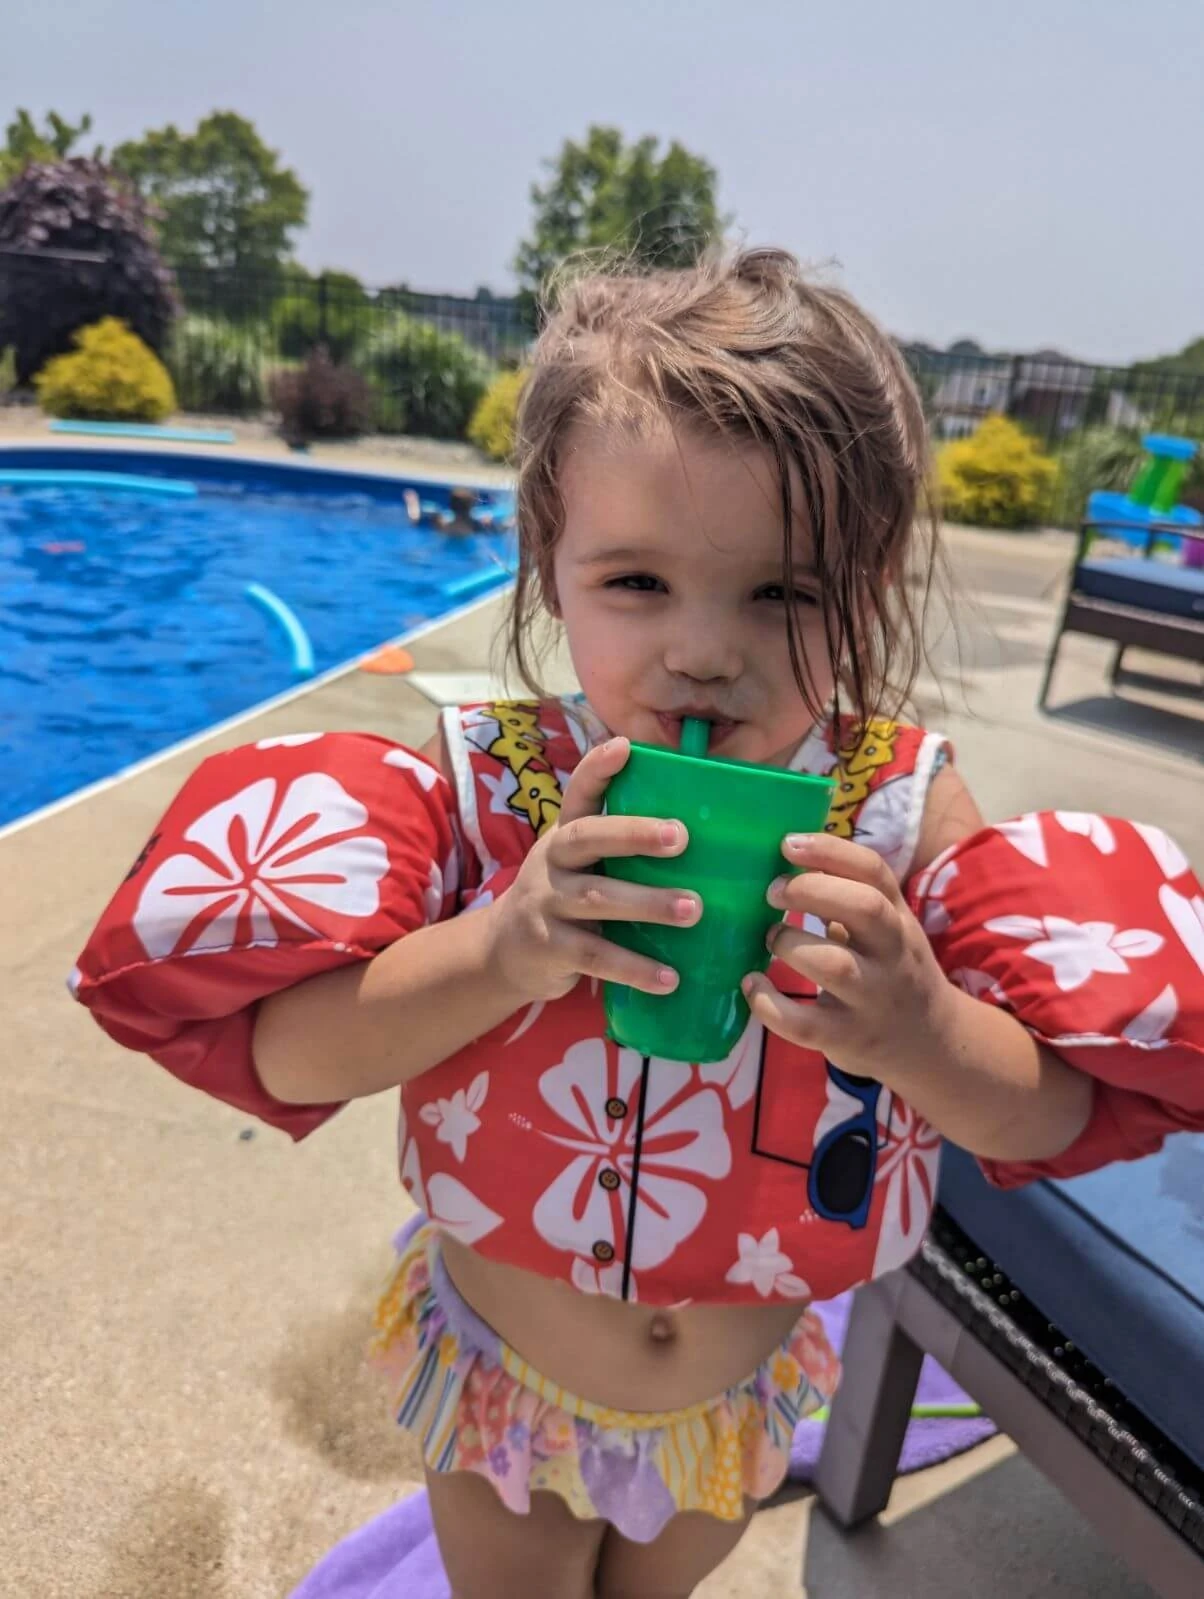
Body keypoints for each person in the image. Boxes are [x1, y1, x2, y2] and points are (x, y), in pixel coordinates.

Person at [71, 249, 1204, 1599]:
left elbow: (1050, 1117)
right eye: (637, 583)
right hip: (514, 1382)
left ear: (871, 582)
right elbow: (288, 1057)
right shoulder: (490, 794)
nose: (706, 650)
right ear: (549, 566)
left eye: (785, 592)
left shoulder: (901, 809)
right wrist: (503, 944)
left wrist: (922, 1024)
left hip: (734, 1399)